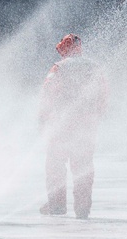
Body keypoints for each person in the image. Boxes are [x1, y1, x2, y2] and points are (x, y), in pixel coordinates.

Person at [39, 33, 108, 219]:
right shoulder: (94, 68)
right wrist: (96, 117)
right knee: (83, 166)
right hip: (86, 126)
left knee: (55, 166)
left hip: (61, 126)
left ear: (65, 48)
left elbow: (47, 93)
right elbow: (103, 96)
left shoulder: (59, 68)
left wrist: (43, 120)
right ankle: (83, 209)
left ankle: (57, 206)